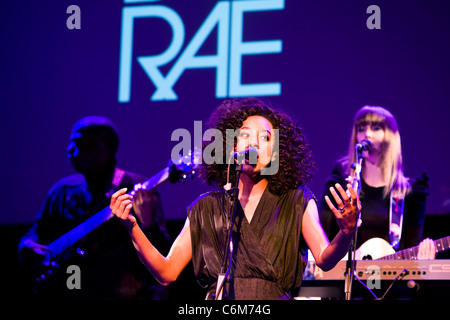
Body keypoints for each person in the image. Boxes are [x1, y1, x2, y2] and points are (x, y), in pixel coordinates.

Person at [110, 97, 361, 300]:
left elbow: (325, 259)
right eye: (245, 135)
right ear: (230, 147)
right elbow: (166, 272)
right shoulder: (205, 208)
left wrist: (346, 231)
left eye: (265, 137)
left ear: (275, 154)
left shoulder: (296, 200)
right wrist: (132, 227)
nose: (255, 143)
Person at [18, 116, 171, 299]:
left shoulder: (134, 187)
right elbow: (35, 232)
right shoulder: (62, 190)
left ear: (102, 144)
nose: (69, 149)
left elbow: (164, 257)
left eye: (77, 140)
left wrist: (149, 225)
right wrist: (26, 246)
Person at [319, 105, 435, 260]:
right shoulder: (340, 184)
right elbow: (323, 238)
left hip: (388, 280)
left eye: (375, 128)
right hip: (340, 278)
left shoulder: (410, 192)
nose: (367, 134)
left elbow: (410, 247)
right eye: (361, 129)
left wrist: (422, 261)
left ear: (390, 137)